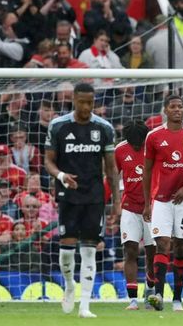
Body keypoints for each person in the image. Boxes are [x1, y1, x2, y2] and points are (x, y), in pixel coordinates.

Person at [44, 82, 119, 319]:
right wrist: (61, 176)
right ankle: (69, 285)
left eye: (90, 102)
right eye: (82, 102)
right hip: (68, 194)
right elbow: (48, 160)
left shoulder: (104, 128)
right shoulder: (58, 125)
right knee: (67, 250)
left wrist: (117, 202)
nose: (87, 107)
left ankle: (85, 305)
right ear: (74, 100)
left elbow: (111, 168)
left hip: (94, 196)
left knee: (89, 250)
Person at [142, 95, 183, 312]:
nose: (178, 109)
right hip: (161, 200)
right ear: (165, 110)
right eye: (173, 107)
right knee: (162, 244)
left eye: (180, 106)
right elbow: (147, 171)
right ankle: (158, 295)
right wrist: (147, 203)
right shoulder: (154, 136)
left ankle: (177, 299)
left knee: (180, 246)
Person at [115, 120, 155, 311]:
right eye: (134, 144)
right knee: (130, 250)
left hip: (153, 208)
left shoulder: (154, 147)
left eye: (140, 143)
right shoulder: (120, 150)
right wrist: (114, 203)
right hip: (130, 208)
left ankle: (150, 289)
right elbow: (112, 176)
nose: (137, 147)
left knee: (152, 253)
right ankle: (132, 300)